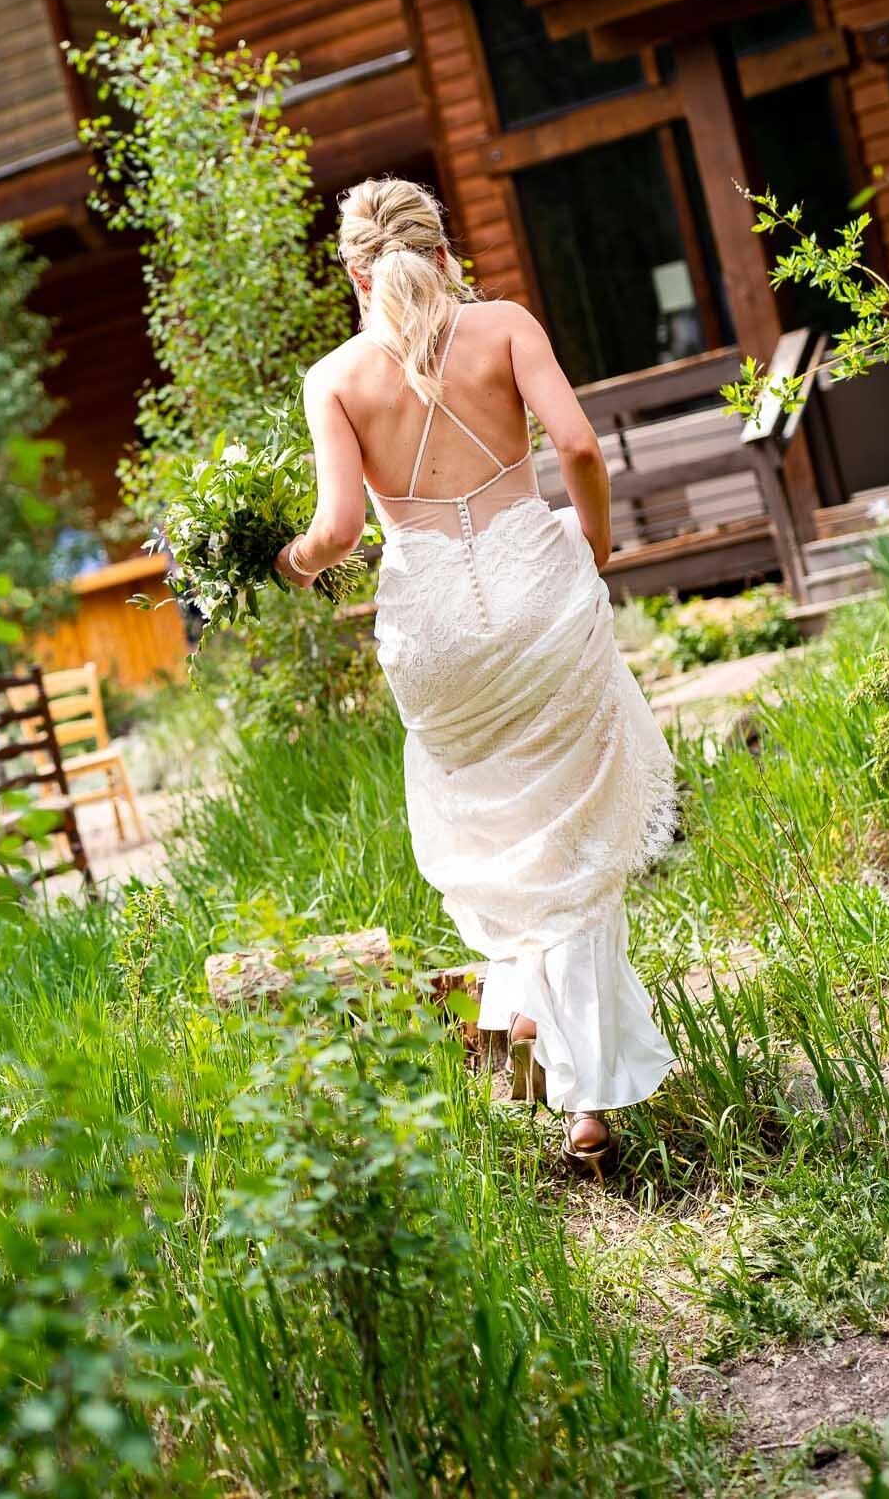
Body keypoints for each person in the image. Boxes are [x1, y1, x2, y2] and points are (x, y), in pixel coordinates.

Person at [274, 176, 677, 1170]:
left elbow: (334, 532)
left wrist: (282, 564)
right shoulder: (501, 326)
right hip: (536, 592)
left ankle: (522, 1016)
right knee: (574, 844)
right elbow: (577, 444)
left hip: (434, 631)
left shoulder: (333, 377)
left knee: (500, 847)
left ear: (356, 274)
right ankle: (583, 1093)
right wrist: (591, 542)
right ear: (443, 249)